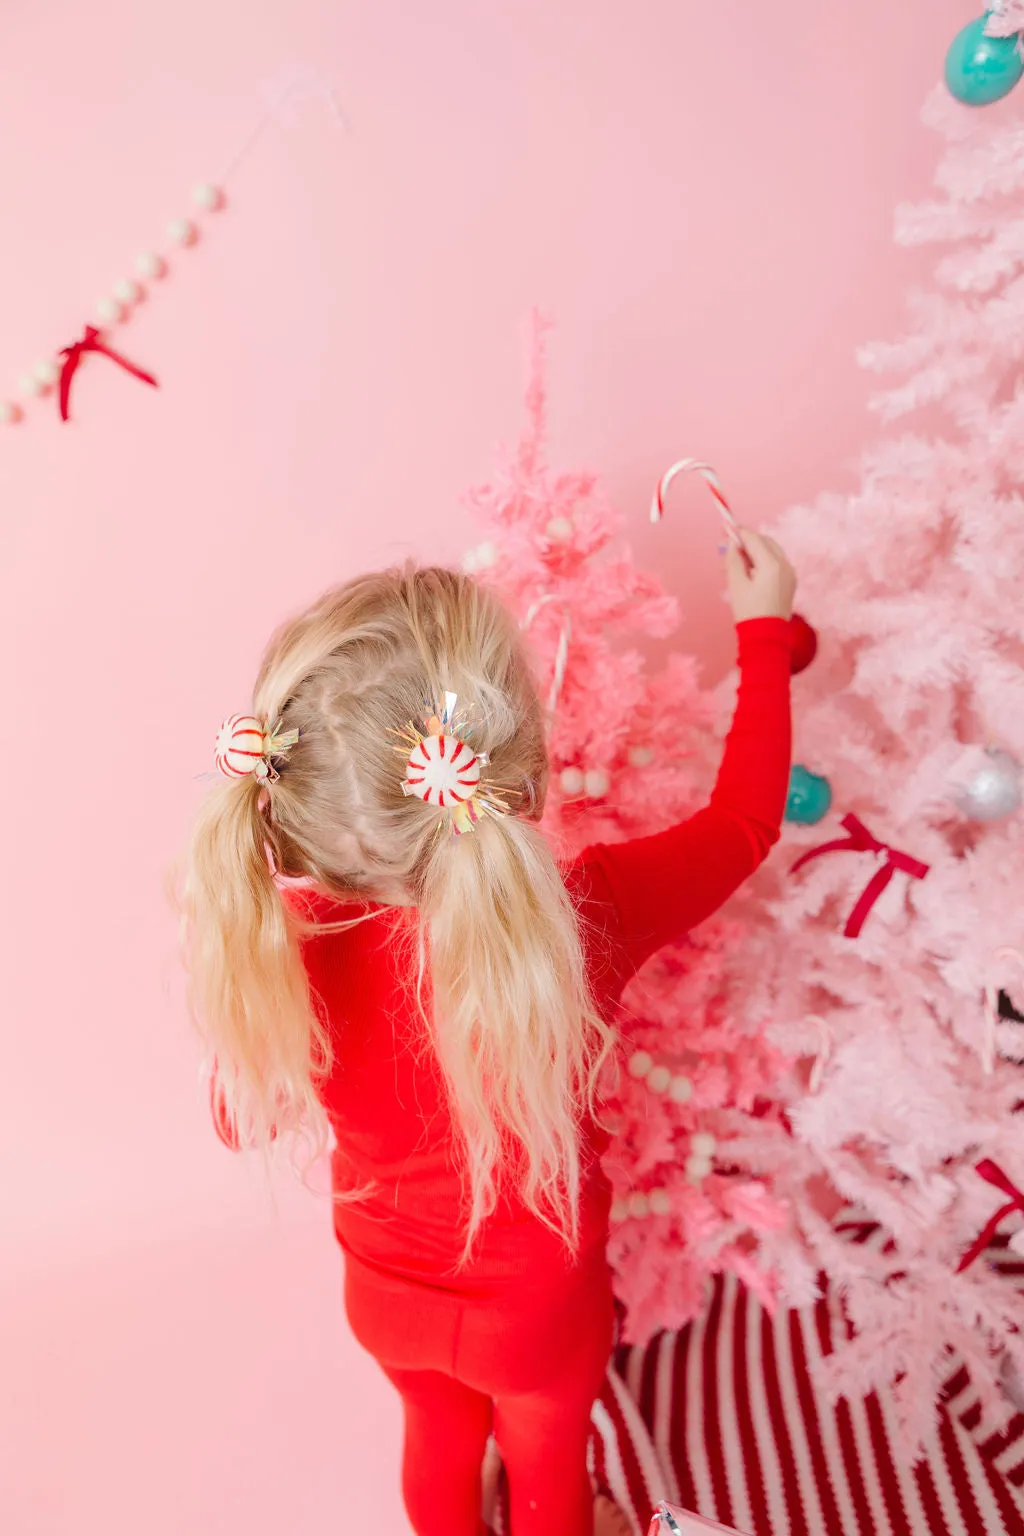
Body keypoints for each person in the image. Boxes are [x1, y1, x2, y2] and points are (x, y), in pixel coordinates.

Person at [177, 529, 795, 1536]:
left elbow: (235, 1119)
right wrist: (763, 628)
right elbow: (742, 826)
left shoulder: (287, 947)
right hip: (539, 1316)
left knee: (436, 1444)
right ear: (510, 772)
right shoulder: (581, 917)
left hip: (384, 1298)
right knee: (549, 1468)